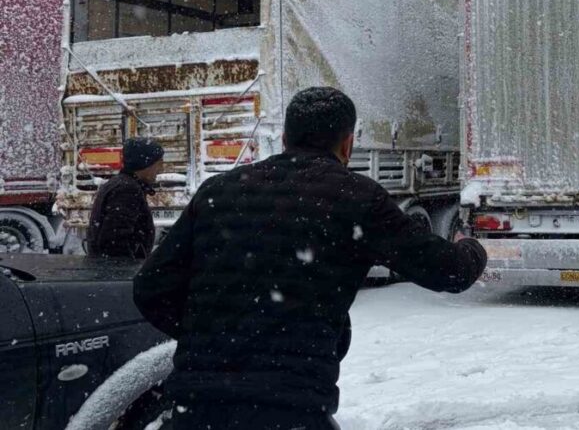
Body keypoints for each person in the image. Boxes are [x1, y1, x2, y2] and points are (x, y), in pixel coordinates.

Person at [133, 87, 487, 430]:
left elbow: (150, 287)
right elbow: (450, 273)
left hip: (196, 406)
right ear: (347, 143)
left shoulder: (217, 191)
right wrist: (471, 246)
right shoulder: (358, 198)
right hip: (291, 406)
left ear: (285, 138)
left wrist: (213, 335)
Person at [86, 137, 163, 258]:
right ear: (145, 164)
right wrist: (126, 271)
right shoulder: (127, 190)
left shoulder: (121, 183)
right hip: (117, 272)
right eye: (158, 164)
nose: (160, 169)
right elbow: (115, 239)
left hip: (110, 269)